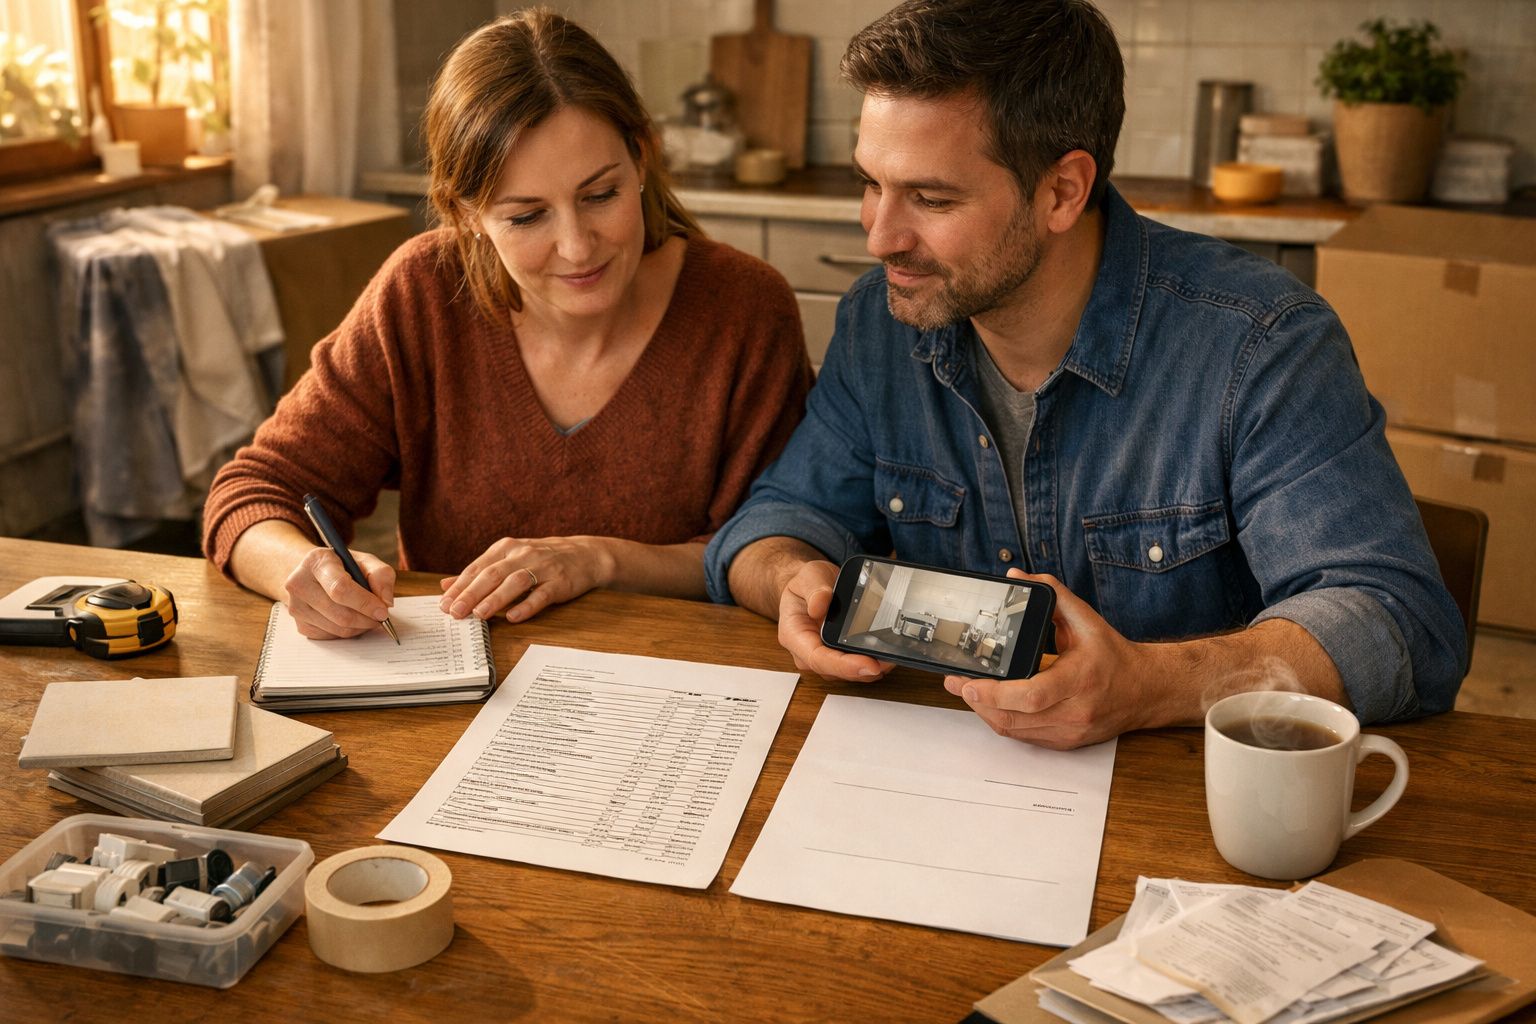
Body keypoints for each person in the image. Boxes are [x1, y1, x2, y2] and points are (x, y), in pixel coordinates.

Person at [704, 0, 1465, 749]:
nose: (879, 237)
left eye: (931, 198)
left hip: (1183, 794)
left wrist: (1148, 685)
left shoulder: (1261, 344)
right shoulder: (881, 323)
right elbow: (774, 524)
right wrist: (792, 579)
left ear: (1063, 191)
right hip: (951, 770)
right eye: (871, 183)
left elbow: (1399, 622)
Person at [204, 9, 811, 638]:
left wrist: (597, 560)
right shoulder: (422, 292)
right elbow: (253, 493)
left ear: (643, 156)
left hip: (677, 677)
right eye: (526, 217)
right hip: (459, 684)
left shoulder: (743, 309)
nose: (577, 247)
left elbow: (771, 549)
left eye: (601, 195)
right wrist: (304, 570)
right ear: (466, 213)